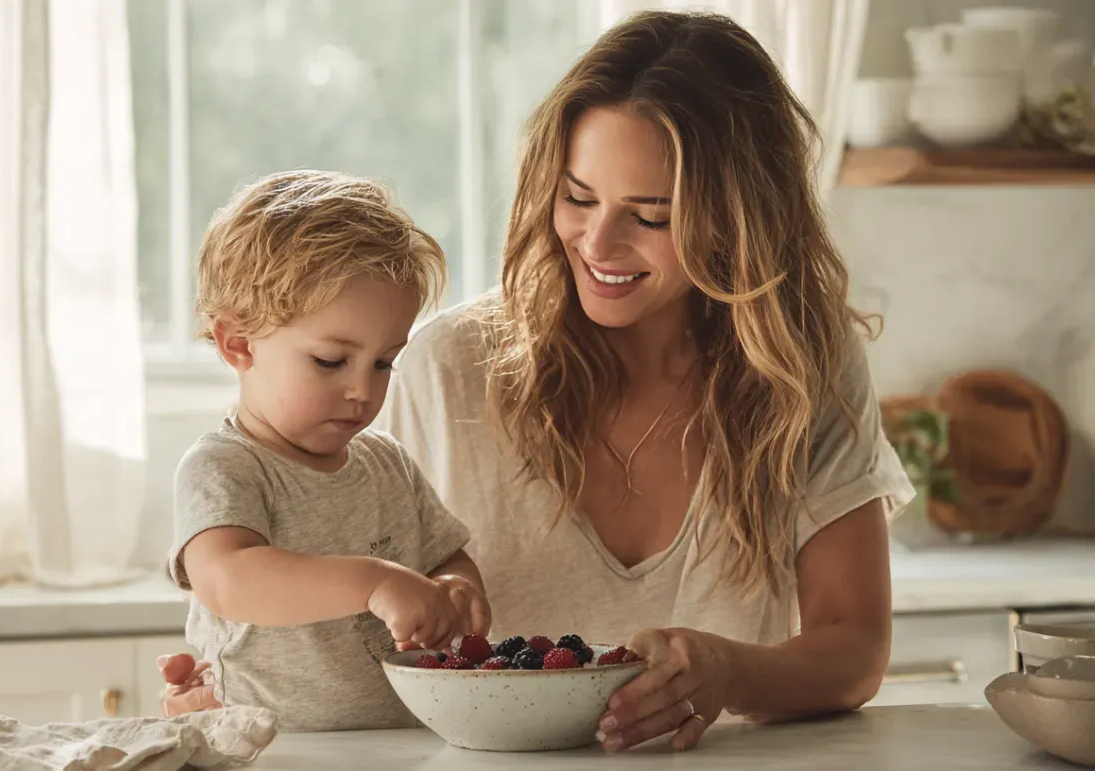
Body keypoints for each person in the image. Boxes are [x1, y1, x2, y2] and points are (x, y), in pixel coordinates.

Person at [158, 9, 914, 753]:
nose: (599, 242)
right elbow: (330, 584)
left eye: (652, 215)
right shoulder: (440, 367)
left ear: (739, 218)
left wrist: (729, 671)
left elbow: (854, 653)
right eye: (579, 197)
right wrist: (234, 692)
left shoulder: (801, 368)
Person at [168, 169, 491, 732]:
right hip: (271, 751)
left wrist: (454, 590)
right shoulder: (225, 466)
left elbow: (445, 556)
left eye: (384, 362)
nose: (362, 390)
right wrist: (375, 581)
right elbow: (226, 580)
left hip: (399, 745)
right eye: (330, 361)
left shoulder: (386, 462)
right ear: (237, 343)